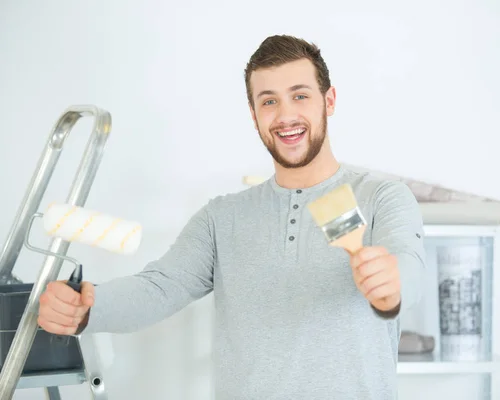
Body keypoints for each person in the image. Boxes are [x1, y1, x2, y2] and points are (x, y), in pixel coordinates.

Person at [37, 34, 427, 399]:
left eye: (300, 95)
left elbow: (408, 267)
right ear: (254, 114)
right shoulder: (222, 217)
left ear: (329, 101)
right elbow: (159, 288)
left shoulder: (382, 197)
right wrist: (89, 309)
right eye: (269, 101)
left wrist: (390, 285)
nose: (285, 115)